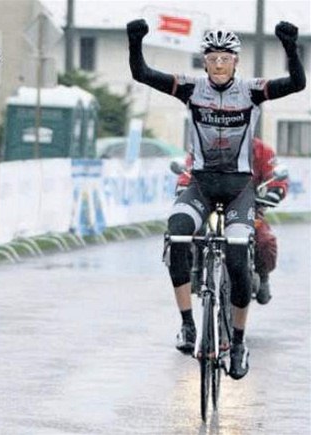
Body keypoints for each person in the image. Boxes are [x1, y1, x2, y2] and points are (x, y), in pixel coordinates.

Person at [127, 19, 305, 379]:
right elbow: (142, 73)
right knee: (177, 231)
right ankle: (188, 325)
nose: (219, 64)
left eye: (226, 58)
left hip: (239, 188)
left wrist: (290, 47)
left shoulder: (251, 91)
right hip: (201, 184)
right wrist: (135, 41)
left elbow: (297, 83)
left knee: (240, 257)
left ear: (235, 62)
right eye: (213, 58)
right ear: (205, 61)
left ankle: (238, 343)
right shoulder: (190, 88)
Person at [175, 137, 289, 305]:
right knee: (189, 231)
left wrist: (276, 191)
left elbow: (276, 177)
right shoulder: (205, 145)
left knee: (264, 240)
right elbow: (188, 173)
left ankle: (262, 276)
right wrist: (183, 186)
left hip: (248, 208)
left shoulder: (261, 150)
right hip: (210, 206)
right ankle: (195, 270)